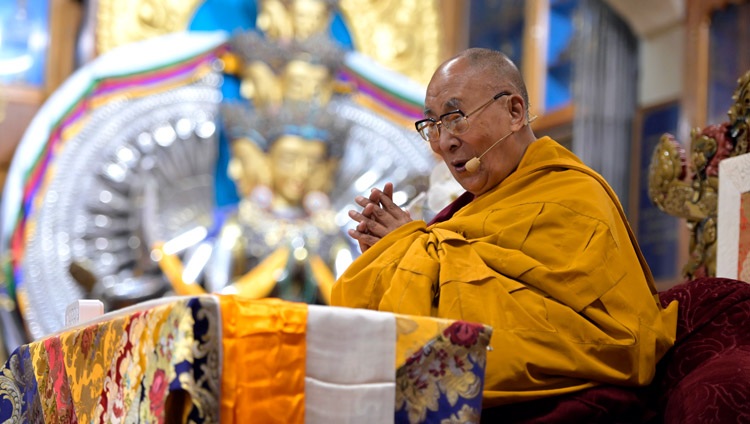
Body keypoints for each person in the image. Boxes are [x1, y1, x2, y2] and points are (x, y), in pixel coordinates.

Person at [331, 48, 678, 408]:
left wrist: (407, 251)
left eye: (455, 117)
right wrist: (393, 259)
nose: (443, 142)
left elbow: (607, 339)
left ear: (514, 112)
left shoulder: (574, 198)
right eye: (432, 125)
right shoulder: (465, 213)